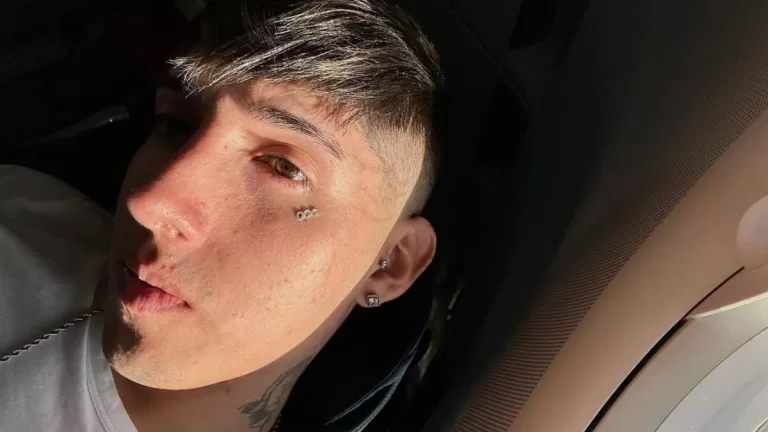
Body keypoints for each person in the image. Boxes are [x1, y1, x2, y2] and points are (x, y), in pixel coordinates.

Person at [0, 1, 442, 431]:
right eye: (174, 124)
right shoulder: (33, 203)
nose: (149, 203)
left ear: (390, 263)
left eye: (283, 166)